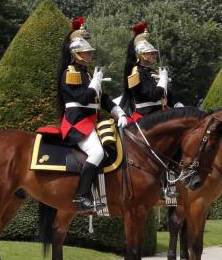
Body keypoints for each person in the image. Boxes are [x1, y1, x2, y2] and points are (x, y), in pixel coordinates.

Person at [58, 16, 127, 214]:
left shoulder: (87, 74)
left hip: (91, 121)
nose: (90, 55)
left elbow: (101, 99)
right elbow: (83, 98)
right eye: (86, 52)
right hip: (77, 123)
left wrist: (118, 112)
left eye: (89, 52)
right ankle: (81, 197)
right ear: (76, 54)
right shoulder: (70, 73)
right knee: (97, 152)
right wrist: (95, 82)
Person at [122, 22, 184, 121]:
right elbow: (154, 96)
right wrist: (163, 79)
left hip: (160, 113)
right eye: (151, 53)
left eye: (154, 53)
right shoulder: (136, 73)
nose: (155, 56)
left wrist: (176, 104)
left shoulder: (152, 72)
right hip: (147, 116)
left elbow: (165, 93)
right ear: (143, 55)